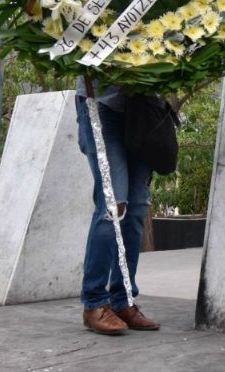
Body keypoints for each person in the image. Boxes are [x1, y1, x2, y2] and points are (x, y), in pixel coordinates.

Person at [75, 79, 160, 335]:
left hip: (143, 107)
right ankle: (94, 302)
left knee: (136, 209)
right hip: (101, 103)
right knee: (113, 205)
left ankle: (123, 301)